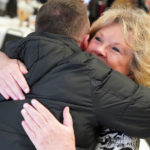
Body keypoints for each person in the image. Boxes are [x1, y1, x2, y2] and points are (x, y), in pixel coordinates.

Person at [1, 2, 150, 150]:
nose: (99, 49)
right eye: (97, 39)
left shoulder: (123, 135)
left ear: (133, 71)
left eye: (116, 49)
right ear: (85, 40)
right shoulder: (63, 69)